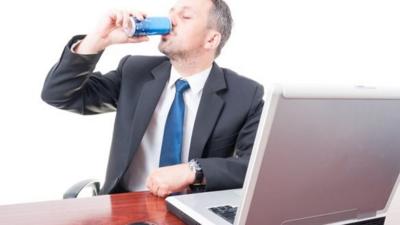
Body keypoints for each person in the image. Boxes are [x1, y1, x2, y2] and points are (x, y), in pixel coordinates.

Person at [41, 0, 264, 198]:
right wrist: (98, 40)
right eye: (171, 13)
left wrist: (193, 171)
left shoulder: (245, 94)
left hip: (193, 210)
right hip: (127, 205)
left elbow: (256, 167)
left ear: (211, 39)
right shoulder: (134, 71)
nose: (171, 21)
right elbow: (58, 93)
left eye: (185, 16)